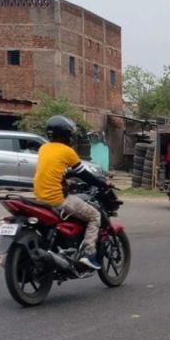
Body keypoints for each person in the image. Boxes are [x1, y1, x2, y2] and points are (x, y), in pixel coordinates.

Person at [33, 115, 111, 271]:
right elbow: (84, 174)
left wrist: (66, 179)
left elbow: (52, 171)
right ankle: (89, 254)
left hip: (39, 197)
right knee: (94, 215)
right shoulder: (67, 151)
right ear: (66, 134)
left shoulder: (43, 148)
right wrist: (103, 183)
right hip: (57, 199)